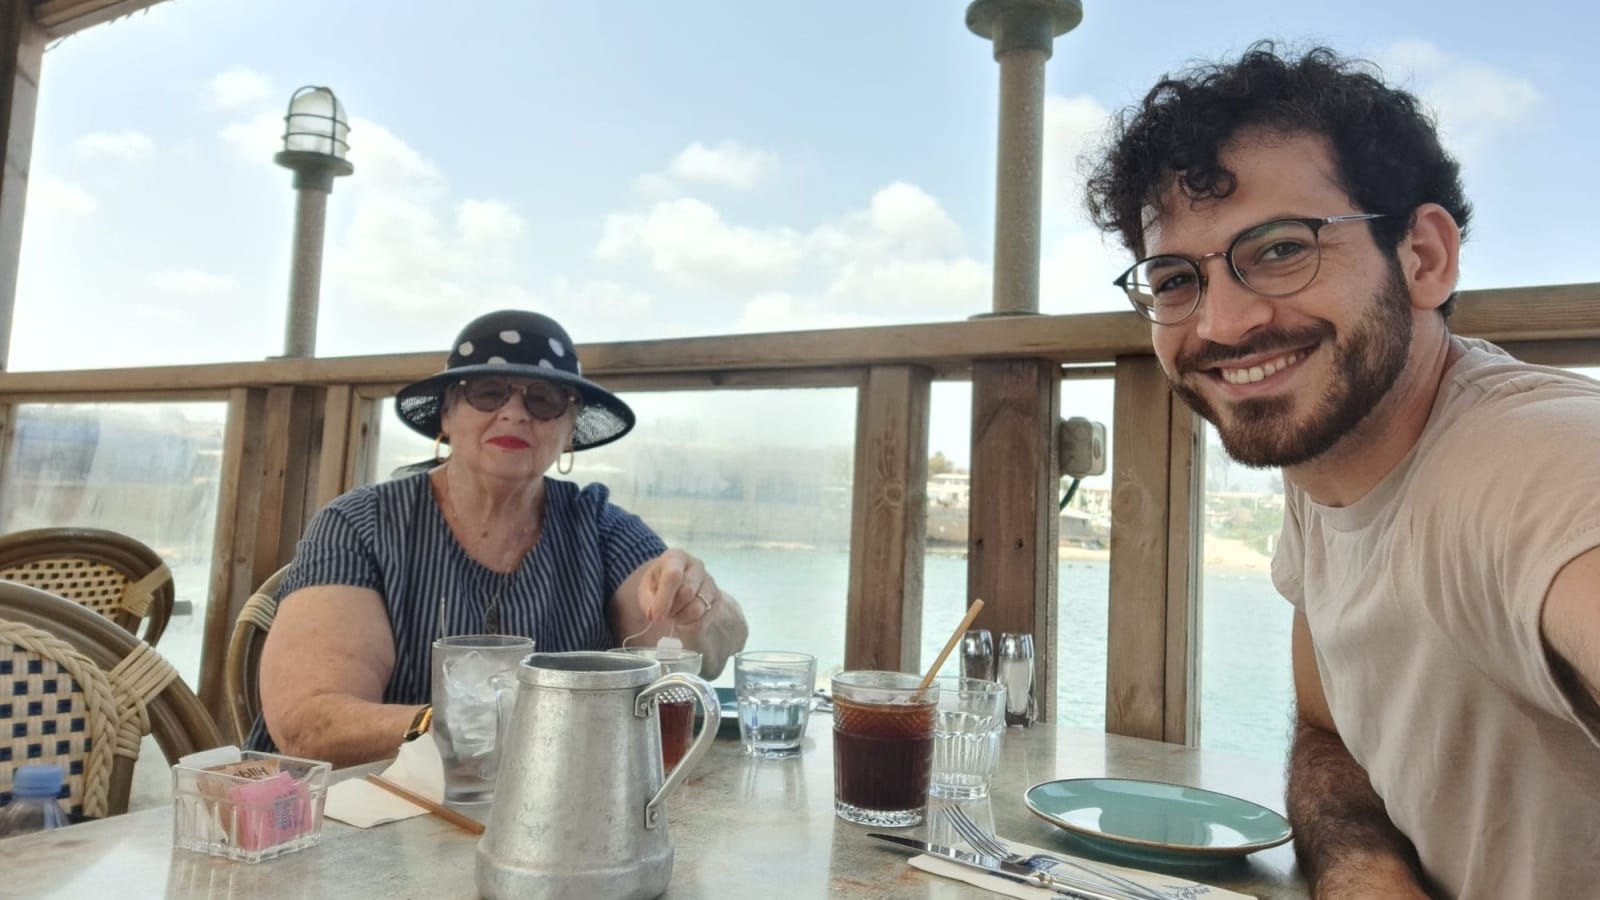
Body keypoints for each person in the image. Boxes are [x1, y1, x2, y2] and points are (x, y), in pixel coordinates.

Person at [1084, 43, 1600, 899]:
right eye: (1177, 278)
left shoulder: (1528, 465)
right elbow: (1330, 733)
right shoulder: (1328, 458)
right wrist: (1364, 873)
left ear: (1424, 258)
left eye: (1281, 249)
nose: (1225, 322)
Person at [249, 309, 749, 766]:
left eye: (544, 399)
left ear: (570, 427)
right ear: (447, 414)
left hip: (545, 815)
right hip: (355, 822)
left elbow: (706, 652)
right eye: (488, 392)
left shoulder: (598, 525)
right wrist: (473, 728)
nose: (515, 412)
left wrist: (697, 606)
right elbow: (309, 724)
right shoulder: (360, 525)